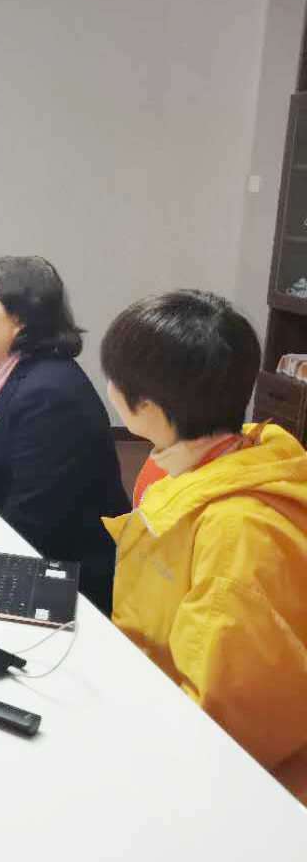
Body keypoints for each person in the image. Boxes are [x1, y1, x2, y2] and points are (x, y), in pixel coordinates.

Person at [100, 290, 307, 804]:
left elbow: (227, 727)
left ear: (147, 407)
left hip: (223, 787)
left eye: (114, 378)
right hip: (151, 701)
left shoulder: (237, 535)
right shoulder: (210, 456)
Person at [0, 256, 127, 613]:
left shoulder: (49, 393)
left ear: (20, 319)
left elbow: (33, 525)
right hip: (26, 554)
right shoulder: (7, 372)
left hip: (70, 585)